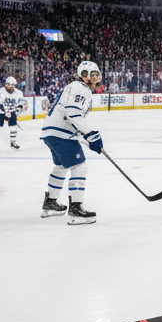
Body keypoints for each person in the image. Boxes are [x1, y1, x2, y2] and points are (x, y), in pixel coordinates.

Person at [40, 60, 103, 224]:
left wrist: (90, 141)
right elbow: (73, 113)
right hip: (62, 133)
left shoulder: (75, 87)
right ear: (83, 75)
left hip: (52, 132)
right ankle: (75, 209)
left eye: (97, 74)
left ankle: (50, 203)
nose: (95, 77)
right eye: (92, 74)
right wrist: (89, 134)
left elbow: (73, 119)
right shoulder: (80, 88)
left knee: (61, 167)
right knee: (79, 167)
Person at [0, 77, 24, 151]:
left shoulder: (19, 93)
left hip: (12, 111)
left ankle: (13, 142)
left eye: (12, 85)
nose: (10, 86)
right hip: (0, 112)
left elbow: (20, 104)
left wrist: (16, 110)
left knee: (13, 127)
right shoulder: (0, 91)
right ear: (6, 84)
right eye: (9, 84)